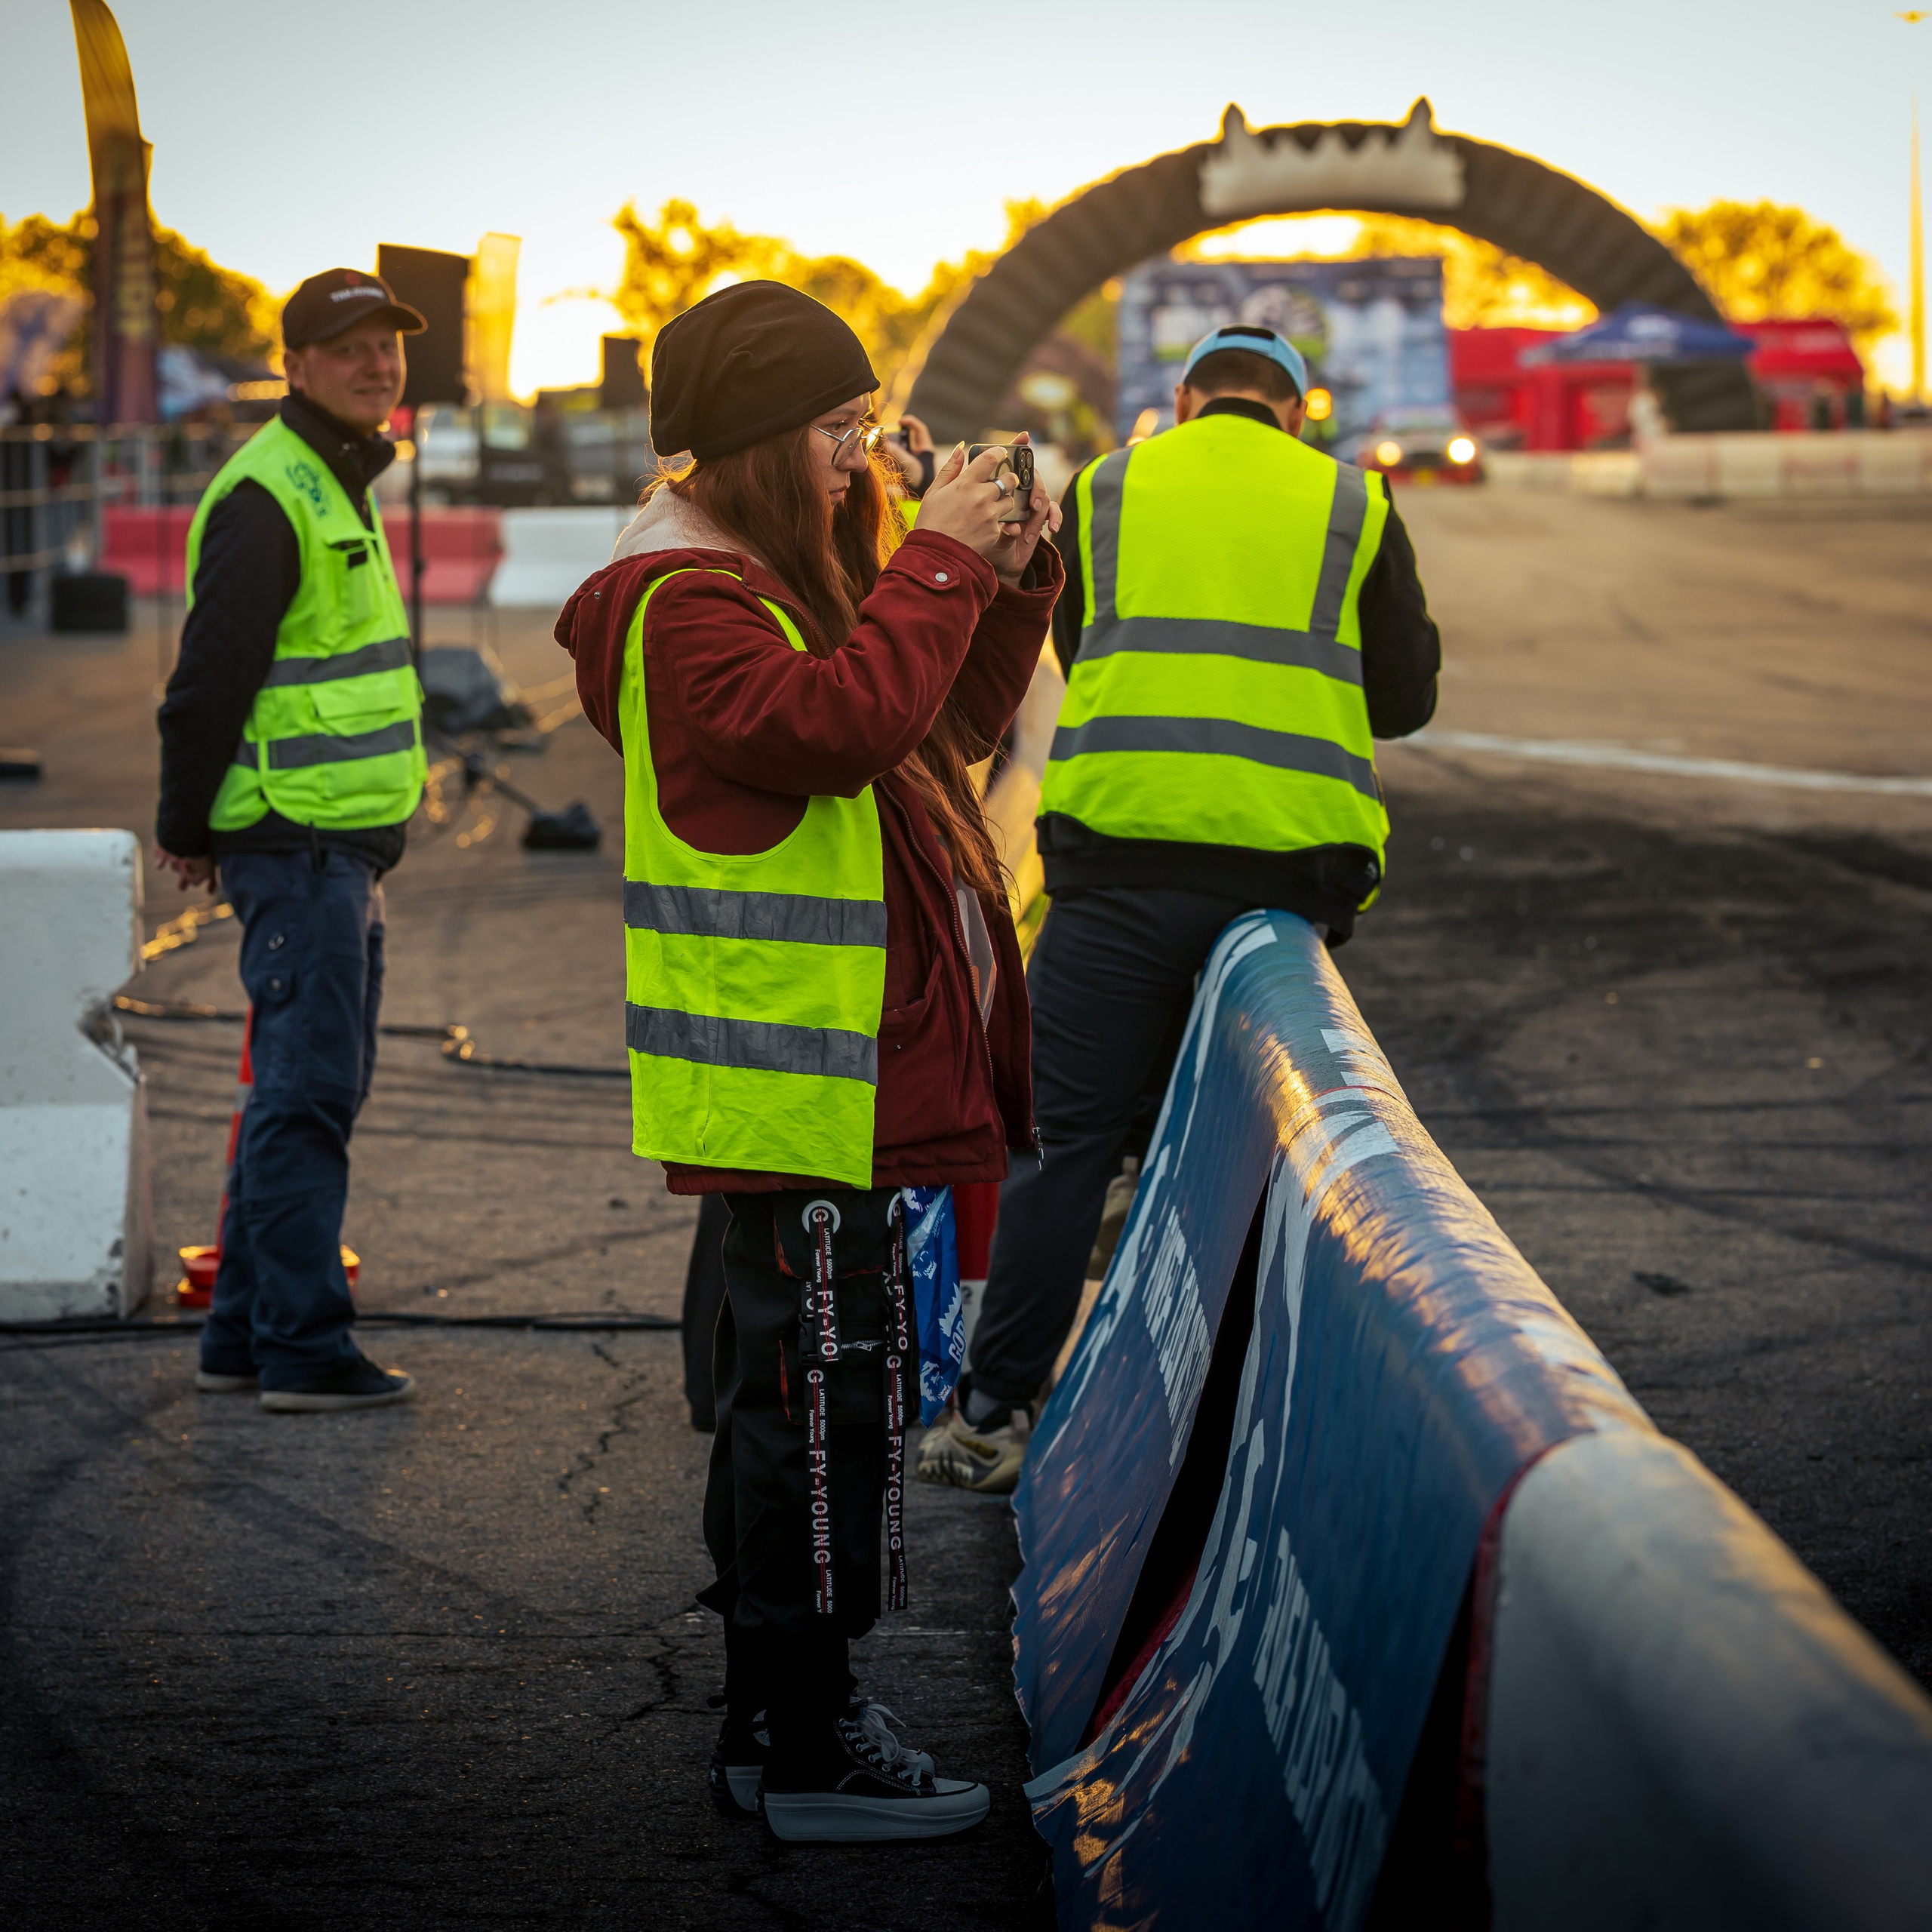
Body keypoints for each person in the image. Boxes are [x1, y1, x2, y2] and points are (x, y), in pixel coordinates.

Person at [556, 281, 1060, 1841]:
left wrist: (1010, 574)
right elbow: (842, 723)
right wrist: (932, 556)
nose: (859, 457)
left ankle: (776, 1722)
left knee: (820, 1397)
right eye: (836, 431)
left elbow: (934, 728)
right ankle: (806, 1742)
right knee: (818, 1409)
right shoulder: (683, 601)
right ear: (762, 439)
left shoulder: (773, 578)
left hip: (845, 1071)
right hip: (797, 1082)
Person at [922, 322, 1441, 1493]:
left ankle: (995, 1414)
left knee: (1063, 1143)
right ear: (1298, 411)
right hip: (1285, 885)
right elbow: (1405, 696)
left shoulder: (1108, 486)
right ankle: (1231, 1428)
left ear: (1187, 397)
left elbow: (1075, 637)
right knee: (1261, 1150)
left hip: (1116, 867)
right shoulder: (1353, 501)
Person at [155, 268, 429, 1414]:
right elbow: (208, 679)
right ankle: (305, 1348)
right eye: (350, 347)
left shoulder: (334, 477)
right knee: (306, 1096)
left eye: (390, 345)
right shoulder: (273, 492)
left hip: (333, 849)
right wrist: (189, 825)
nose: (379, 363)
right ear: (297, 365)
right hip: (297, 841)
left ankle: (241, 1332)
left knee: (302, 1088)